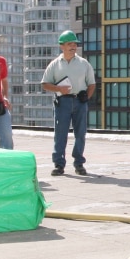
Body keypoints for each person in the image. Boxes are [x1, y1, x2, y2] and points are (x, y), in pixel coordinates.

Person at [41, 30, 96, 176]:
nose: (73, 46)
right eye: (69, 44)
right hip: (62, 102)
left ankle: (79, 163)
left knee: (80, 133)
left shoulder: (84, 64)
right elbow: (45, 84)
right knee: (60, 134)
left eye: (74, 44)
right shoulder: (54, 65)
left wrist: (87, 97)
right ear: (62, 46)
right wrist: (58, 89)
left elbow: (92, 84)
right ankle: (59, 164)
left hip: (79, 101)